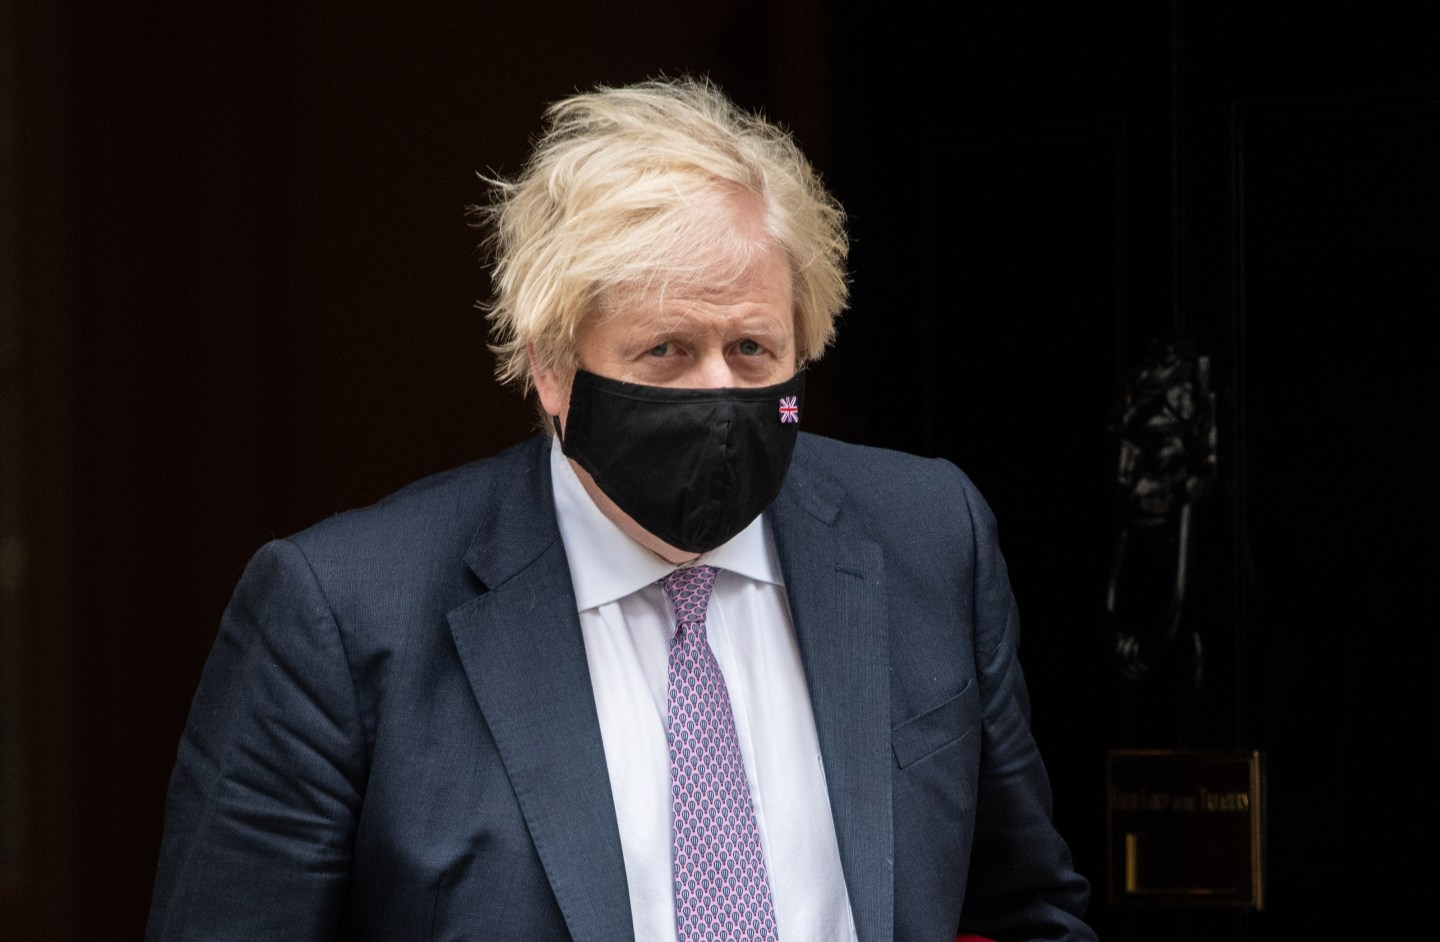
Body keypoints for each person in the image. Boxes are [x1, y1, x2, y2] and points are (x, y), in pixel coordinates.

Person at [146, 76, 1097, 942]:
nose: (719, 394)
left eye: (753, 351)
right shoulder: (344, 615)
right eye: (665, 352)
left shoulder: (928, 537)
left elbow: (1027, 909)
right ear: (551, 369)